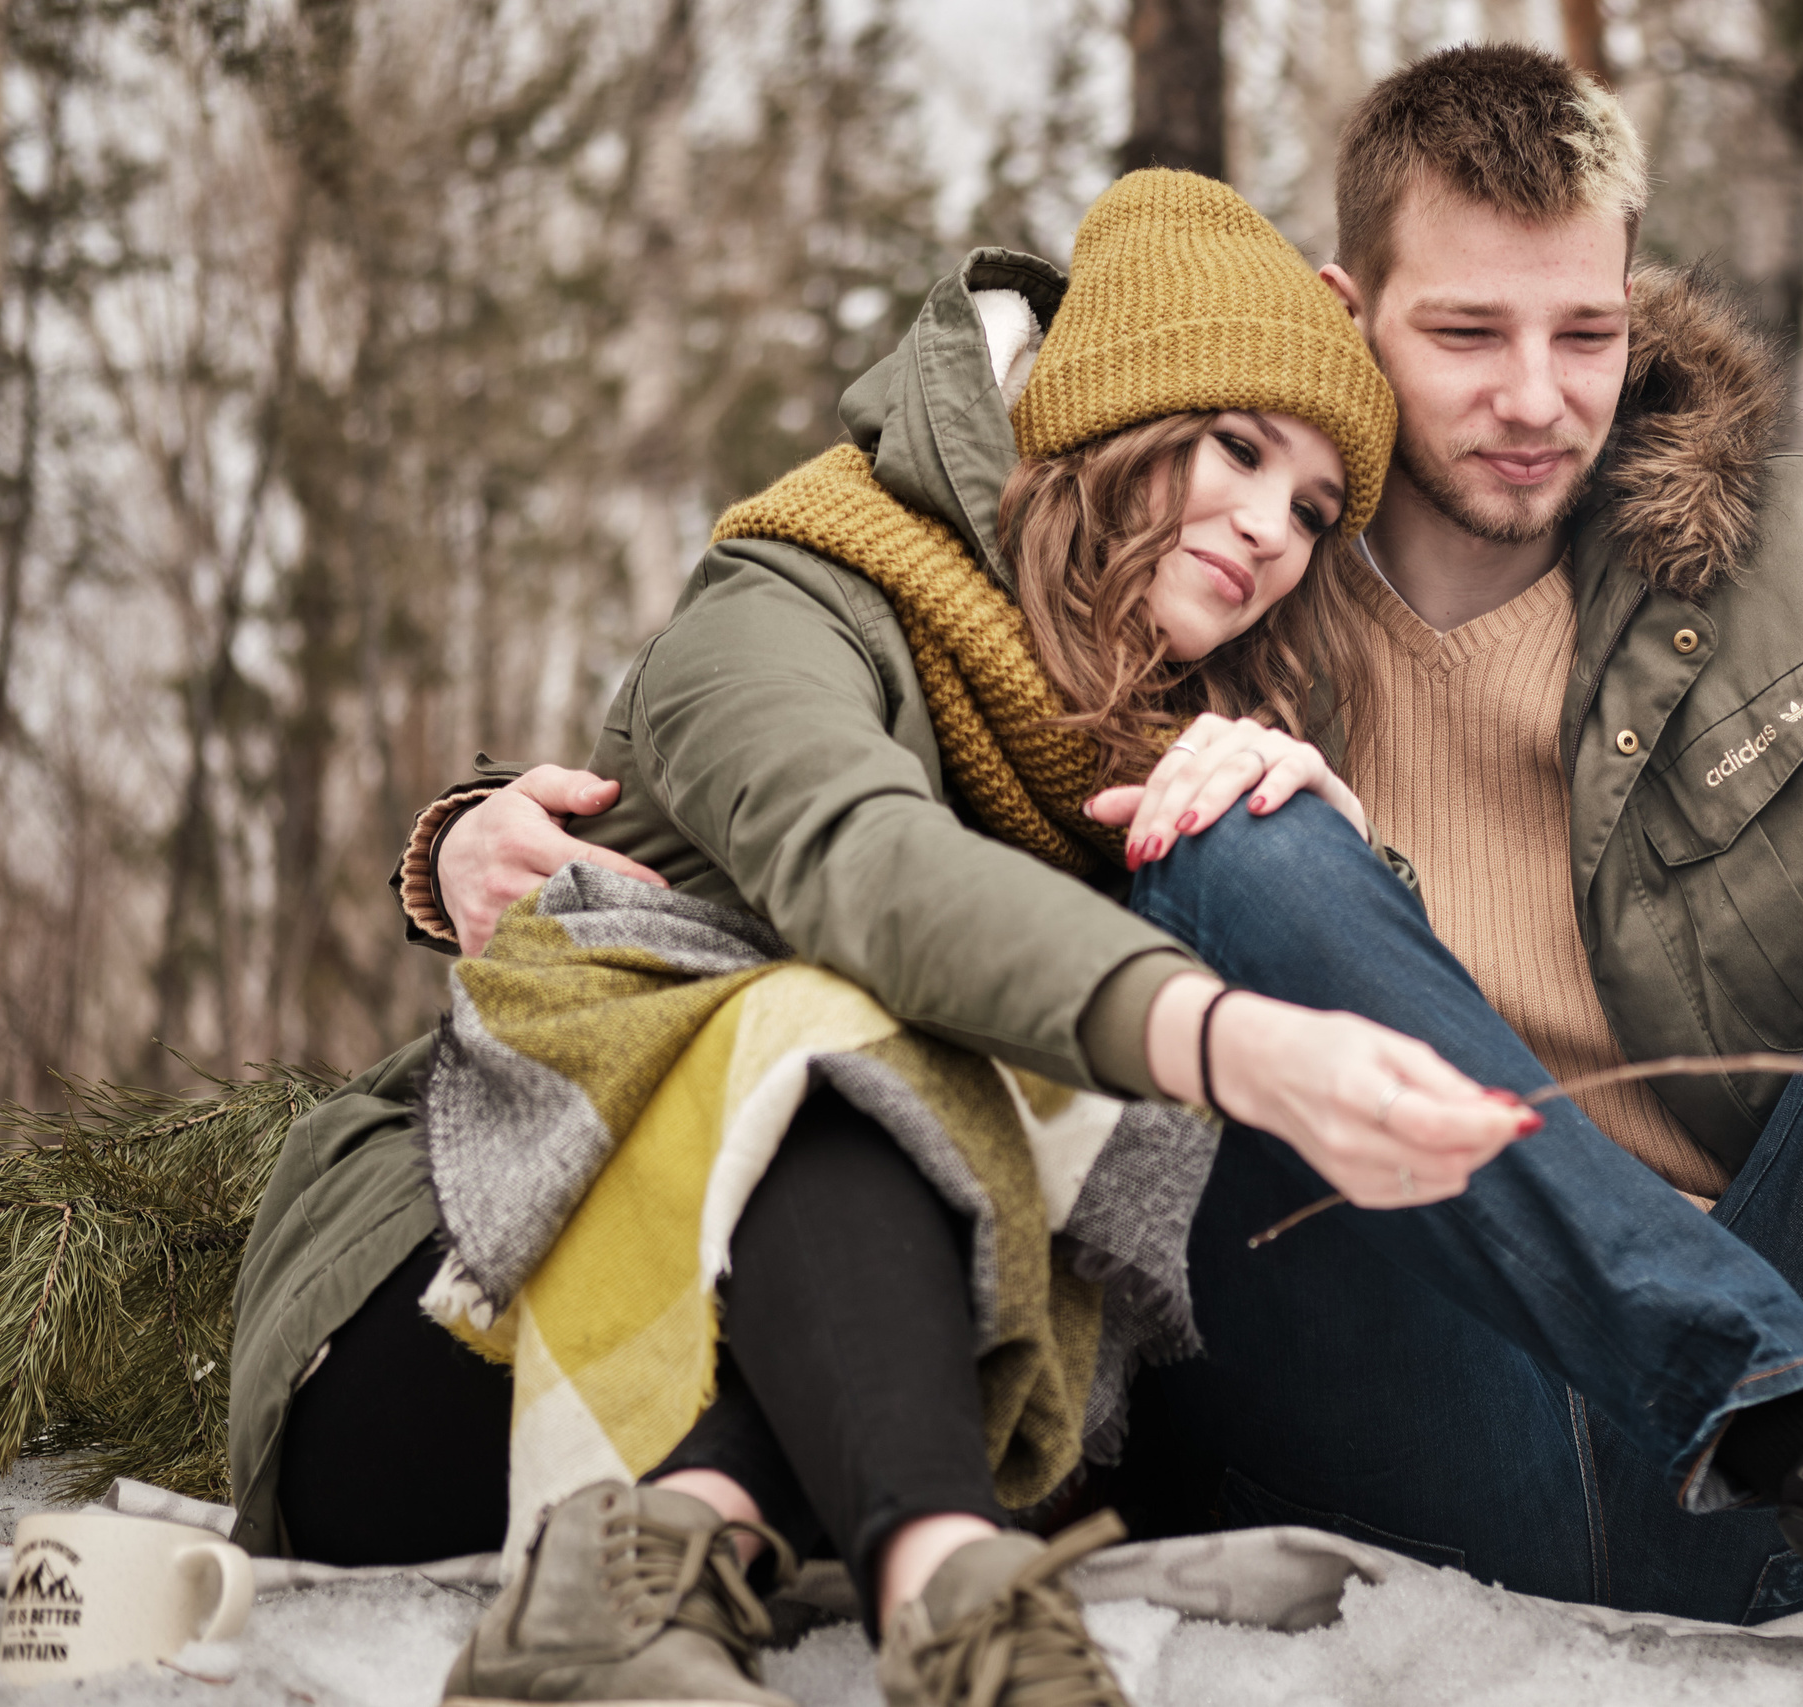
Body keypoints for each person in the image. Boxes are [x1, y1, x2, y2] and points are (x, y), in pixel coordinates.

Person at [414, 49, 1803, 1707]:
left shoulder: (1770, 564)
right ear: (1347, 315)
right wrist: (475, 833)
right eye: (1466, 332)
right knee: (1231, 832)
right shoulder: (1200, 565)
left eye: (1584, 331)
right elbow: (848, 759)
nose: (1535, 396)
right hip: (1411, 1372)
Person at [232, 170, 1539, 1707]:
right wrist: (1221, 1031)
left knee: (1012, 1144)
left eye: (1315, 511)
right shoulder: (790, 592)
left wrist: (1314, 853)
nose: (1269, 530)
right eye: (1239, 447)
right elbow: (867, 866)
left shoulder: (1193, 747)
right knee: (838, 1031)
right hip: (455, 1310)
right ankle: (957, 1608)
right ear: (1115, 402)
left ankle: (739, 1575)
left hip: (826, 1379)